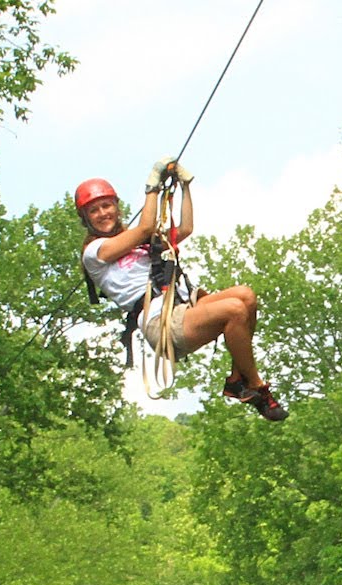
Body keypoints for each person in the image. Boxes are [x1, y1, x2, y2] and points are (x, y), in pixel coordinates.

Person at [77, 157, 288, 421]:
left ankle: (238, 379)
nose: (102, 213)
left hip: (182, 307)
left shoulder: (141, 245)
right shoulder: (94, 253)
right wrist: (152, 185)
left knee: (245, 296)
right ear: (85, 219)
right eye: (93, 210)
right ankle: (256, 385)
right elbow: (144, 227)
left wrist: (185, 186)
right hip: (160, 321)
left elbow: (185, 228)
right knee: (234, 310)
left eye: (106, 205)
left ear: (116, 208)